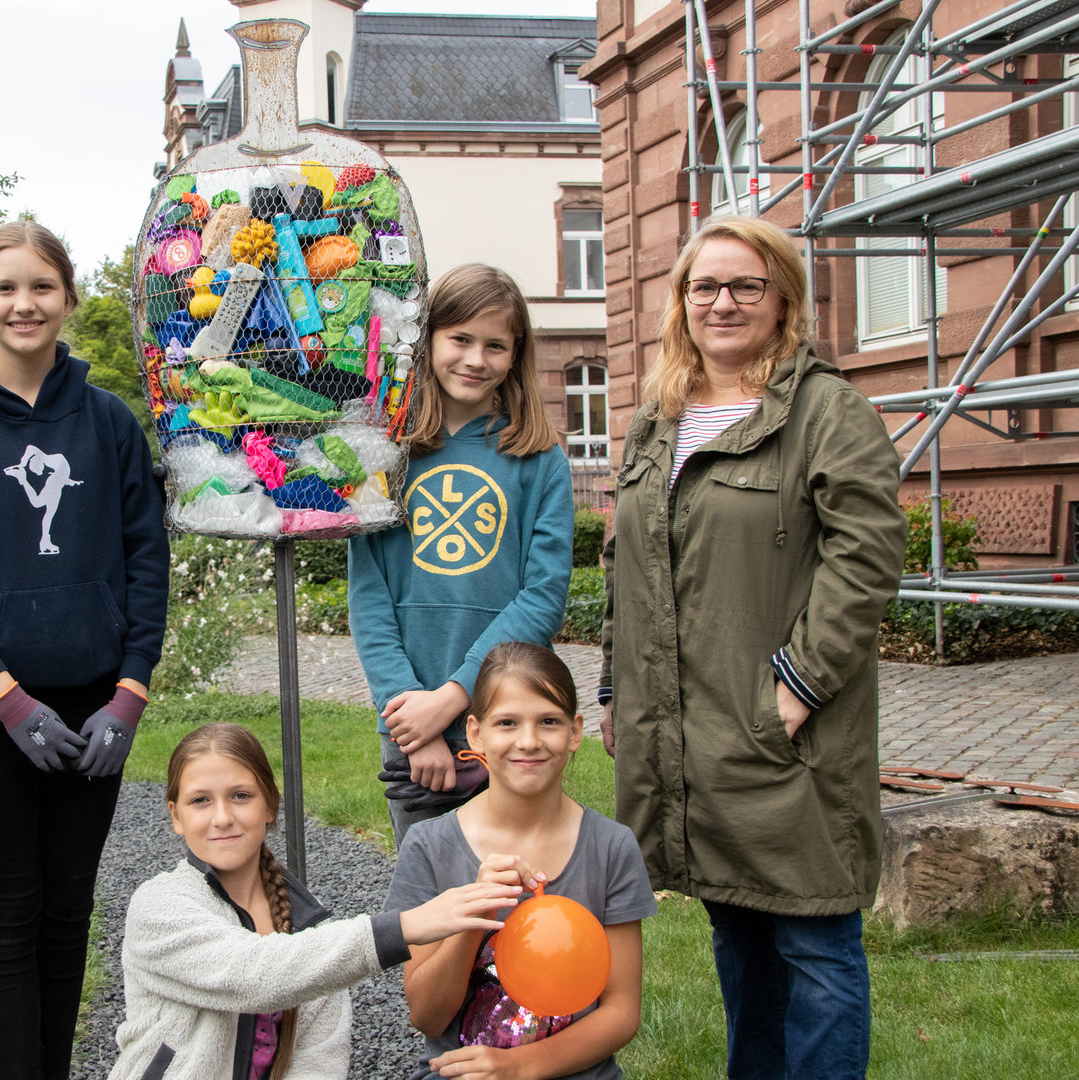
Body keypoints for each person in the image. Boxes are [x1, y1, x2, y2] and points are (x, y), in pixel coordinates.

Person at [598, 215, 906, 1079]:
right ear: (682, 302)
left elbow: (867, 555)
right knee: (736, 925)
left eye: (746, 285)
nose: (723, 303)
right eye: (705, 286)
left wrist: (799, 685)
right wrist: (617, 691)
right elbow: (628, 562)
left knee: (814, 936)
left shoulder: (826, 411)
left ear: (782, 302)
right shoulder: (659, 418)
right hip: (684, 728)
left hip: (784, 728)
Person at [0, 220, 170, 1080]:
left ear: (69, 298)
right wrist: (6, 697)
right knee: (11, 908)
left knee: (69, 908)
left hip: (95, 703)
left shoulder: (109, 421)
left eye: (42, 286)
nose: (25, 304)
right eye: (7, 288)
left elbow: (146, 560)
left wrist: (129, 695)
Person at [111, 723, 524, 1080]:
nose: (222, 817)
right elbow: (252, 973)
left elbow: (319, 1063)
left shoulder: (311, 927)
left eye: (240, 796)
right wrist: (403, 927)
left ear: (270, 805)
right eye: (200, 800)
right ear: (176, 815)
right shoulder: (159, 906)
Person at [348, 263, 574, 843]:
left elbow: (543, 597)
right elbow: (369, 597)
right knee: (428, 884)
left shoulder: (541, 459)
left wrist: (453, 699)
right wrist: (413, 721)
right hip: (409, 721)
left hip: (509, 717)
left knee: (516, 878)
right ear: (427, 340)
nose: (476, 359)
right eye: (460, 339)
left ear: (515, 355)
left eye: (495, 345)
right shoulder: (383, 453)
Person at [386, 641, 656, 1080]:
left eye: (549, 721)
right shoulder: (429, 846)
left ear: (575, 732)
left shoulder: (611, 847)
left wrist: (515, 1067)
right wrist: (476, 912)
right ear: (476, 734)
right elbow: (428, 1017)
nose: (528, 741)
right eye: (507, 723)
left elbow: (621, 1012)